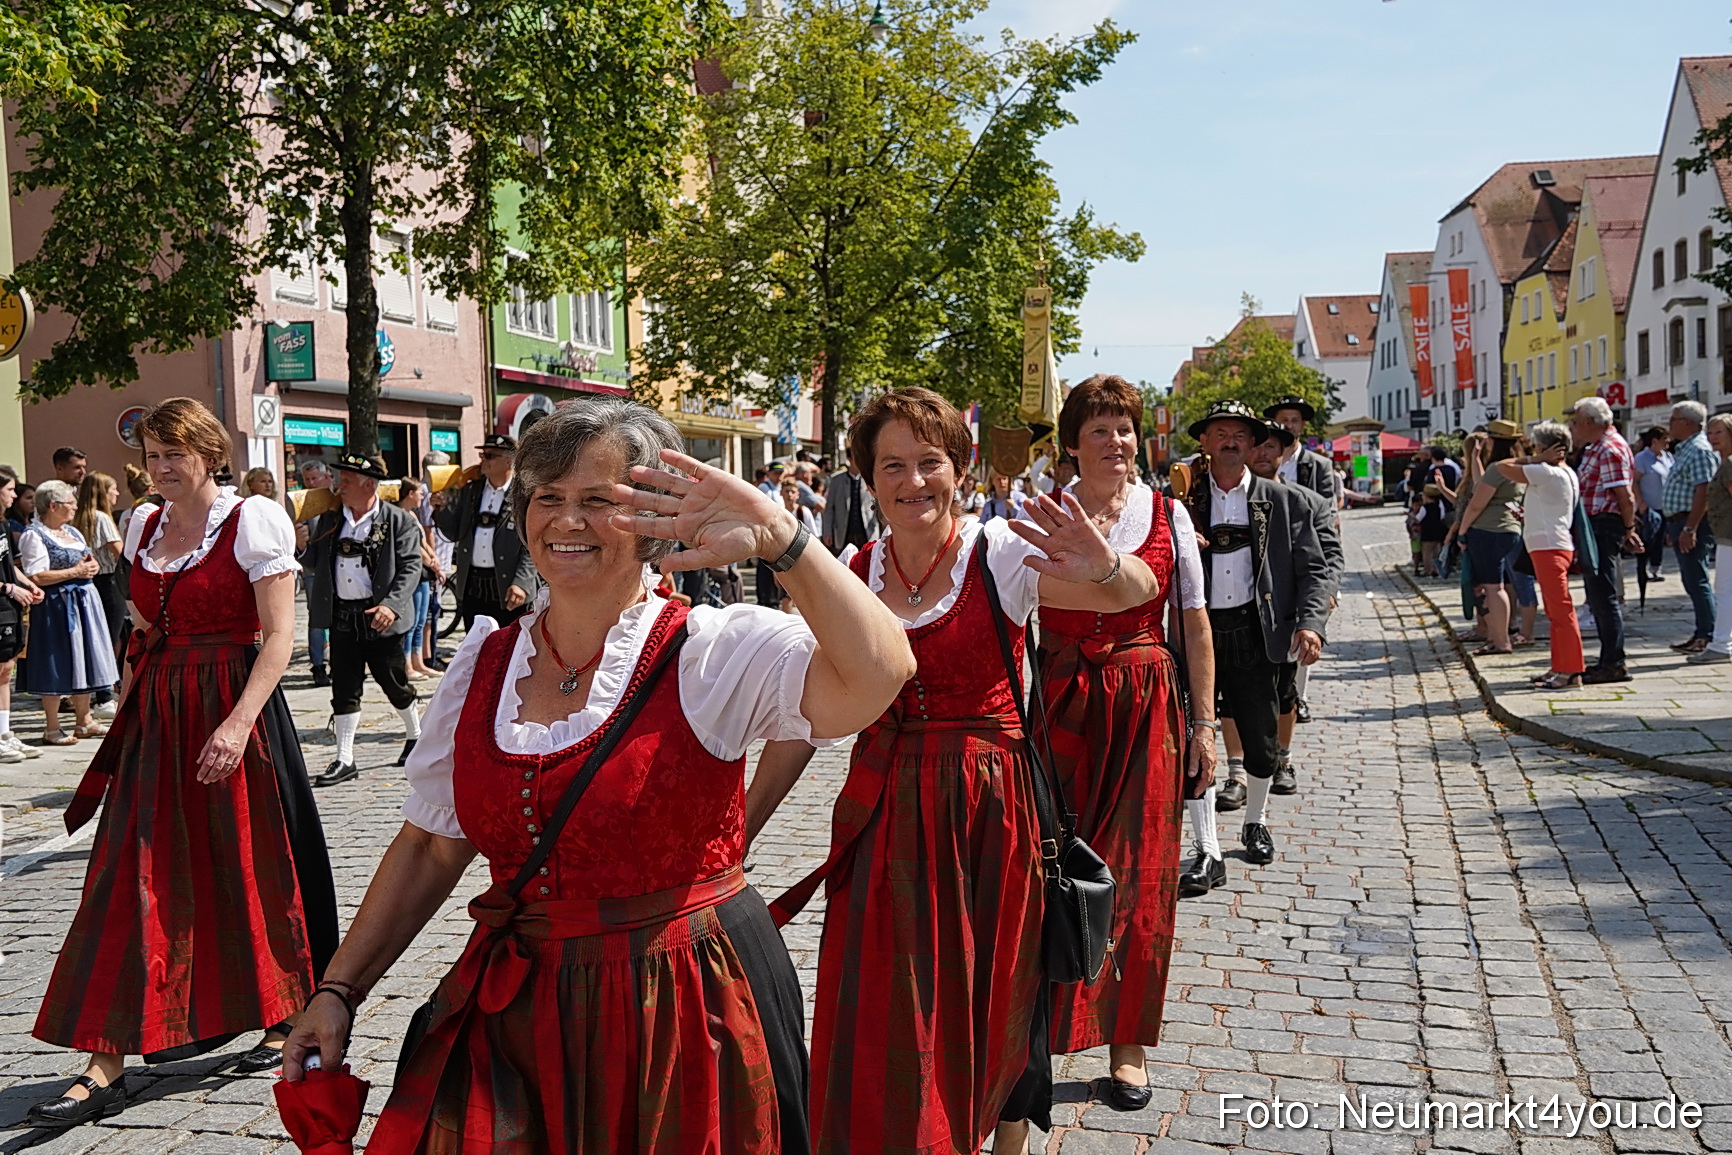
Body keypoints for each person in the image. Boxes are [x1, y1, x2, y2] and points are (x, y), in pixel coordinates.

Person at [282, 397, 914, 1155]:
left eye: (598, 500)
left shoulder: (710, 651)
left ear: (652, 516)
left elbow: (882, 671)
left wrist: (784, 541)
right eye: (547, 498)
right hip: (521, 1014)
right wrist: (339, 989)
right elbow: (429, 847)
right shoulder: (482, 665)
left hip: (682, 1006)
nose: (566, 521)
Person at [762, 387, 1167, 1155]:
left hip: (994, 818)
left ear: (962, 467)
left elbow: (1138, 593)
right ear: (867, 478)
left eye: (930, 461)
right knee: (889, 1004)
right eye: (893, 466)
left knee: (998, 992)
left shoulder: (1001, 551)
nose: (914, 481)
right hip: (884, 819)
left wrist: (1107, 565)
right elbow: (801, 717)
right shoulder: (849, 569)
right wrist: (741, 828)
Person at [29, 398, 338, 1125]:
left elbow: (278, 637)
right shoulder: (142, 523)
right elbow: (142, 629)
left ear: (207, 452)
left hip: (235, 706)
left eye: (174, 454)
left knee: (246, 865)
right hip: (160, 717)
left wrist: (236, 725)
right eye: (152, 455)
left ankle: (281, 1005)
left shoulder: (253, 520)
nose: (161, 469)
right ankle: (103, 1054)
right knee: (128, 874)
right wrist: (123, 721)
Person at [1038, 375, 1215, 1111]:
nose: (1118, 442)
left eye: (1126, 428)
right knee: (1049, 866)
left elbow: (1195, 624)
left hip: (1146, 708)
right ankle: (1034, 1034)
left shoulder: (1168, 514)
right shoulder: (1038, 516)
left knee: (1142, 876)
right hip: (1060, 703)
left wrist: (1205, 724)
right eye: (1101, 428)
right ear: (1072, 442)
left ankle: (1128, 1046)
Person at [1180, 400, 1334, 872]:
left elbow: (1314, 569)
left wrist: (1310, 623)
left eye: (1239, 435)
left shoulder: (1284, 501)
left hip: (1255, 629)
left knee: (1262, 735)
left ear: (1253, 445)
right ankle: (1206, 846)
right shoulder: (1183, 502)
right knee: (1195, 734)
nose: (1230, 441)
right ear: (1204, 443)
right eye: (1220, 433)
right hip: (1196, 629)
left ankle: (1255, 820)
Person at [297, 452, 424, 785]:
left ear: (369, 484)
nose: (340, 486)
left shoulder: (398, 520)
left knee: (393, 683)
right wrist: (299, 546)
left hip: (380, 616)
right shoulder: (330, 520)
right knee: (344, 687)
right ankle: (345, 758)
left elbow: (412, 567)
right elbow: (312, 562)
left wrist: (392, 606)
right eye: (340, 479)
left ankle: (416, 735)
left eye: (348, 480)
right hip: (343, 617)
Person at [19, 480, 116, 744]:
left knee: (83, 659)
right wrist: (75, 572)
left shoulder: (72, 532)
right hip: (57, 606)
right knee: (57, 660)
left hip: (84, 602)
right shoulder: (34, 535)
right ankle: (52, 727)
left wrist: (91, 567)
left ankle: (84, 720)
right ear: (53, 506)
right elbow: (36, 575)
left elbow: (85, 560)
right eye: (70, 503)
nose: (75, 507)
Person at [1264, 396, 1339, 724]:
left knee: (1305, 630)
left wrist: (1330, 586)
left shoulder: (1318, 465)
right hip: (1275, 561)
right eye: (1284, 419)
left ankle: (1299, 698)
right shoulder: (1258, 463)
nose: (1289, 425)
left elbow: (1328, 522)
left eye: (1294, 420)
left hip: (1307, 556)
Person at [1496, 422, 1583, 689]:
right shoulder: (1566, 472)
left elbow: (1501, 467)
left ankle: (1571, 671)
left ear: (1544, 448)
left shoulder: (1546, 471)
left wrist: (1535, 458)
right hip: (1553, 542)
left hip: (1549, 546)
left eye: (1536, 446)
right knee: (1556, 611)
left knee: (1561, 611)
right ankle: (1560, 666)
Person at [1569, 398, 1643, 682]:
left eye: (1576, 421)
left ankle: (1614, 662)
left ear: (1589, 422)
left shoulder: (1609, 448)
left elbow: (1625, 496)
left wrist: (1628, 528)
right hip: (1595, 524)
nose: (1574, 427)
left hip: (1603, 525)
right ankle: (1607, 659)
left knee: (1603, 596)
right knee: (1598, 597)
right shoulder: (1595, 448)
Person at [436, 433, 539, 631]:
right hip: (473, 585)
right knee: (475, 647)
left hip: (508, 587)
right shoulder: (471, 491)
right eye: (482, 455)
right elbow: (454, 533)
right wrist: (441, 510)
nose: (483, 460)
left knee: (511, 650)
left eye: (490, 456)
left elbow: (533, 543)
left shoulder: (523, 494)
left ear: (509, 462)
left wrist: (521, 583)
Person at [1454, 420, 1527, 655]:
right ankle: (1498, 637)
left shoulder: (1498, 468)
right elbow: (1482, 484)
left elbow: (1476, 504)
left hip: (1488, 531)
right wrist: (1476, 459)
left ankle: (1501, 640)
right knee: (1501, 585)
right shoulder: (1517, 466)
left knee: (1493, 589)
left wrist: (1462, 531)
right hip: (1510, 529)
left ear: (1493, 441)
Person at [1664, 401, 1718, 655]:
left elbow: (1704, 490)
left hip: (1691, 522)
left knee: (1697, 578)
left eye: (1673, 420)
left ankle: (1708, 634)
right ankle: (1701, 631)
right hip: (1679, 521)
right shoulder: (1684, 449)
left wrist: (1690, 528)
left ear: (1687, 423)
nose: (1669, 424)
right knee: (1690, 578)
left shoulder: (1698, 450)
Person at [0, 466, 44, 761]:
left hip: (9, 609)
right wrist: (9, 589)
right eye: (9, 490)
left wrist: (27, 583)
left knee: (6, 670)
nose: (14, 495)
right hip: (4, 601)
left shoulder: (3, 526)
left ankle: (5, 733)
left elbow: (9, 564)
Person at [1688, 413, 1732, 664]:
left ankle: (1722, 644)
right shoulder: (1723, 462)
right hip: (1725, 534)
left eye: (1719, 433)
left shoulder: (1729, 464)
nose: (1713, 438)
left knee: (1725, 590)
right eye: (1710, 433)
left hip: (1729, 536)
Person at [74, 472, 127, 655]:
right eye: (114, 489)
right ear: (104, 493)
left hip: (91, 580)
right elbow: (120, 553)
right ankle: (111, 680)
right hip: (110, 581)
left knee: (98, 633)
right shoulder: (102, 518)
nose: (117, 494)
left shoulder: (79, 517)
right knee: (113, 633)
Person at [395, 477, 440, 679]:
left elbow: (423, 542)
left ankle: (418, 661)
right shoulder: (400, 516)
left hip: (423, 574)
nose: (423, 496)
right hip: (413, 573)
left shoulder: (412, 515)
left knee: (422, 619)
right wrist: (432, 563)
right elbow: (414, 546)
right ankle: (407, 664)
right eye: (420, 492)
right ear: (410, 494)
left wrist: (434, 557)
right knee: (411, 621)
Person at [298, 459, 335, 687]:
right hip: (313, 569)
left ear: (325, 477)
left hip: (337, 567)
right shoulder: (303, 504)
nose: (311, 483)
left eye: (315, 478)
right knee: (317, 618)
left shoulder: (335, 500)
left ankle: (338, 662)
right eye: (307, 480)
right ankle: (318, 665)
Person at [1632, 426, 1671, 581]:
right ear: (1655, 441)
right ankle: (1643, 569)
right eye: (1664, 439)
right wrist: (1640, 502)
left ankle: (1656, 567)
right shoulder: (1642, 459)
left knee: (1660, 538)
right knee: (1649, 538)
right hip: (1648, 506)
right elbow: (1634, 481)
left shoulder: (1667, 457)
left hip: (1665, 506)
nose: (1668, 442)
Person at [777, 477, 821, 613]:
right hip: (784, 563)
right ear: (781, 493)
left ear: (797, 495)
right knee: (785, 600)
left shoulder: (803, 512)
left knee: (806, 600)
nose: (789, 495)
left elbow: (815, 537)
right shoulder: (778, 514)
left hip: (803, 561)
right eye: (786, 491)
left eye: (792, 491)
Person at [820, 455, 877, 552]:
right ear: (850, 459)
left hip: (867, 532)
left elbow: (878, 507)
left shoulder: (870, 479)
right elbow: (829, 508)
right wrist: (827, 532)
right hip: (843, 533)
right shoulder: (836, 480)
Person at [1415, 484, 1450, 576]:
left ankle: (1428, 570)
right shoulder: (1440, 506)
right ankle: (1437, 569)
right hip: (1437, 531)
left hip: (1427, 532)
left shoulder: (1424, 508)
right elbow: (1442, 516)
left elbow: (1418, 518)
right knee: (1437, 551)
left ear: (1426, 496)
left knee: (1427, 552)